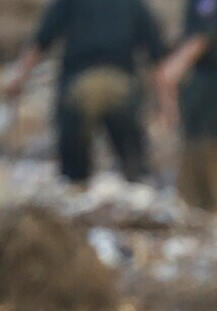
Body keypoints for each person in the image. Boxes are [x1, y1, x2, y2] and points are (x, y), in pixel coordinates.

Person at [2, 0, 168, 186]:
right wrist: (166, 107)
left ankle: (76, 190)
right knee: (134, 165)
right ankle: (138, 190)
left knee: (73, 172)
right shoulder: (133, 5)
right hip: (120, 85)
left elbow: (41, 42)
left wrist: (19, 78)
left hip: (78, 86)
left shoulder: (69, 3)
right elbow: (157, 58)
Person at [154, 0, 217, 213]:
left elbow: (204, 35)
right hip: (198, 84)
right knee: (193, 144)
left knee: (212, 145)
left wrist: (175, 67)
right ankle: (194, 207)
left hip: (212, 83)